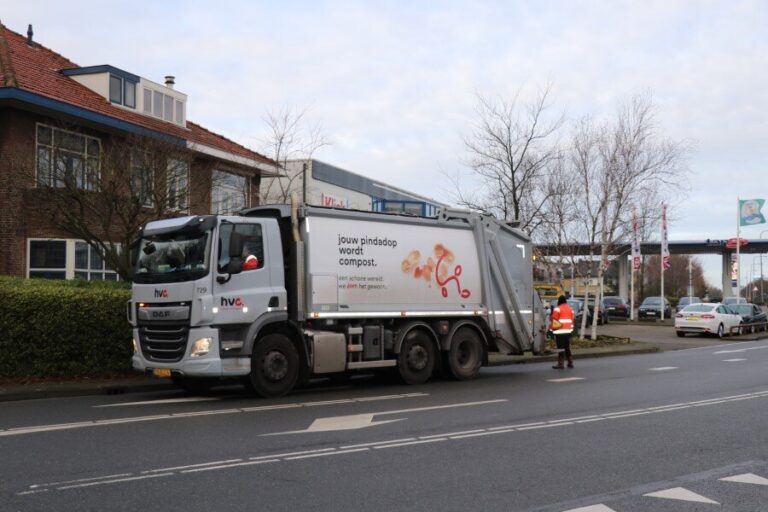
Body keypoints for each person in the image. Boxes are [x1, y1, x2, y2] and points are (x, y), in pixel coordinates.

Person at [550, 295, 575, 369]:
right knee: (567, 347)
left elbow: (554, 320)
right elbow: (572, 320)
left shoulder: (557, 309)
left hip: (560, 331)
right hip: (568, 331)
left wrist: (552, 330)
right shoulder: (570, 309)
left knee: (560, 348)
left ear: (559, 301)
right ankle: (570, 362)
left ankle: (560, 364)